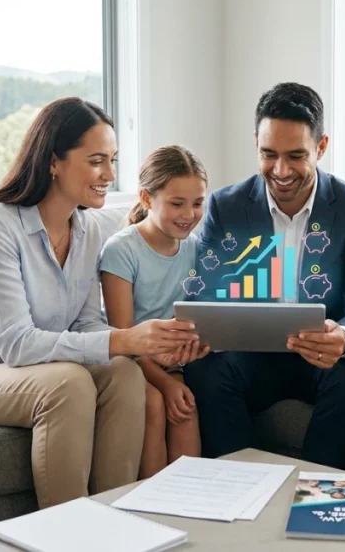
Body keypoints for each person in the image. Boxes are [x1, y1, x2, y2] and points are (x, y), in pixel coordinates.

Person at [0, 97, 200, 509]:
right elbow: (17, 345)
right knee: (69, 382)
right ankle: (67, 535)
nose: (109, 175)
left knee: (124, 375)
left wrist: (145, 341)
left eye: (112, 160)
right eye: (96, 160)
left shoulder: (90, 230)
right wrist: (126, 340)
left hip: (22, 373)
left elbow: (85, 323)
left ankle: (114, 524)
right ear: (53, 161)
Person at [184, 82, 345, 471]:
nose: (280, 171)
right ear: (256, 144)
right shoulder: (225, 206)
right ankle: (239, 488)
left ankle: (316, 498)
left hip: (326, 357)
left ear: (321, 147)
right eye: (268, 154)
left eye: (296, 156)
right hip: (253, 354)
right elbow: (207, 292)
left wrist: (343, 337)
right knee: (206, 371)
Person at [100, 145, 211, 478]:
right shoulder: (122, 250)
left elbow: (202, 319)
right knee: (155, 404)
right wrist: (165, 382)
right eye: (176, 203)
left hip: (175, 363)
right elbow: (125, 338)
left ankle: (187, 510)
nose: (188, 214)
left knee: (185, 407)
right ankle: (150, 509)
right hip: (132, 363)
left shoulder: (197, 248)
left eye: (197, 203)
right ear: (147, 199)